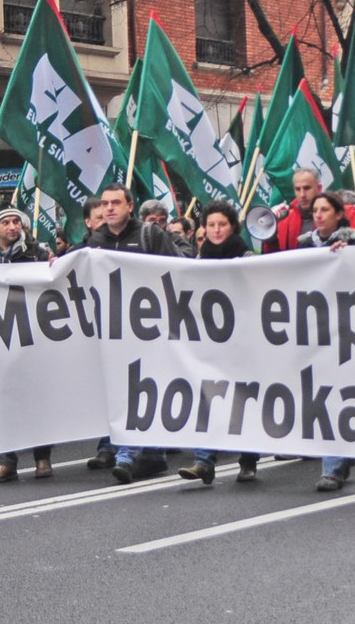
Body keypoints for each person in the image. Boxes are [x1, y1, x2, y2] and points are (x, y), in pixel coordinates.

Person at [88, 184, 187, 481]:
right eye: (104, 203)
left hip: (150, 327)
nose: (109, 208)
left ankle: (128, 455)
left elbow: (178, 269)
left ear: (130, 206)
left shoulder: (149, 234)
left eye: (115, 202)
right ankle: (152, 455)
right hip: (115, 330)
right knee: (126, 390)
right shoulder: (97, 240)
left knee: (144, 389)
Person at [178, 202, 267, 487]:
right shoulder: (202, 258)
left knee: (243, 397)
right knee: (208, 395)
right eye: (211, 225)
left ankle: (248, 460)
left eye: (222, 225)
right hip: (213, 339)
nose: (216, 230)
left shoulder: (245, 255)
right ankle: (204, 461)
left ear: (233, 227)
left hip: (244, 339)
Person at [0, 209, 55, 482]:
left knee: (35, 398)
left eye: (16, 222)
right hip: (0, 335)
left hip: (33, 332)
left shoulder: (37, 252)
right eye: (5, 222)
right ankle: (6, 461)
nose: (12, 227)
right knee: (3, 399)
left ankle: (42, 457)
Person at [262, 169, 323, 253]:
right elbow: (273, 256)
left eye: (307, 188)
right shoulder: (285, 220)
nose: (302, 195)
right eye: (298, 189)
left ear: (319, 188)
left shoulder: (334, 214)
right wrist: (271, 239)